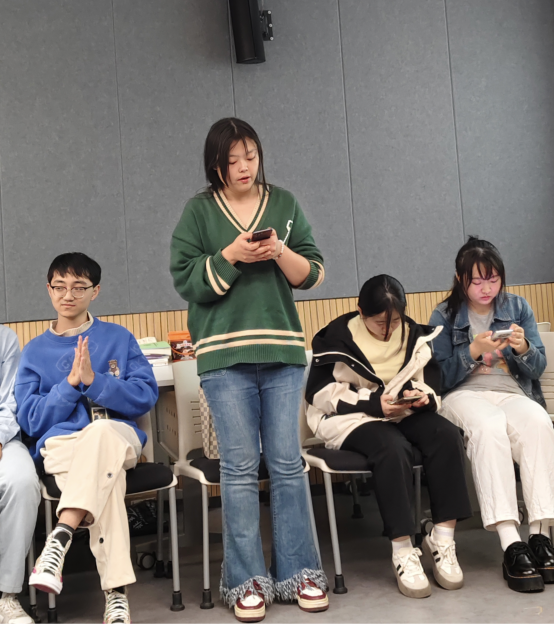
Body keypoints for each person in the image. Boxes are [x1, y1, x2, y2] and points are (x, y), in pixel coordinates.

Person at [170, 118, 328, 623]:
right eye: (232, 159)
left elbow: (313, 273)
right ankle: (245, 581)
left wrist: (279, 250)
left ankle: (301, 572)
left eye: (251, 156)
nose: (243, 167)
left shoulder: (284, 204)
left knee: (287, 463)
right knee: (238, 469)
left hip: (283, 351)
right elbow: (186, 281)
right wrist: (232, 255)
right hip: (223, 357)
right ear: (216, 165)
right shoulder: (198, 211)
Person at [306, 275, 472, 599]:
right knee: (392, 447)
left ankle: (442, 540)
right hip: (352, 417)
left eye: (394, 322)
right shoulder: (335, 338)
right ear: (360, 311)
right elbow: (319, 393)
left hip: (401, 411)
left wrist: (421, 397)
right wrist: (373, 403)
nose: (388, 330)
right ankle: (402, 550)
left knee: (447, 435)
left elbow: (430, 383)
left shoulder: (414, 335)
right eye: (379, 322)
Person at [16, 253, 159, 624]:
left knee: (101, 433)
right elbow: (31, 420)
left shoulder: (118, 338)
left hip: (116, 435)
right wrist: (69, 385)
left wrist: (96, 381)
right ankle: (116, 595)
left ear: (95, 291)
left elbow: (145, 395)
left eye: (79, 287)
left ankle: (61, 534)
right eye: (60, 287)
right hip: (63, 446)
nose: (68, 295)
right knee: (107, 485)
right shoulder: (34, 352)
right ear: (49, 290)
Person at [429, 237, 554, 593]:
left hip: (511, 392)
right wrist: (472, 350)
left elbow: (537, 367)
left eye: (493, 279)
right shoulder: (444, 315)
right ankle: (511, 543)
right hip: (463, 395)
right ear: (460, 279)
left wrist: (523, 347)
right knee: (488, 427)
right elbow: (437, 379)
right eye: (477, 281)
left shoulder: (517, 307)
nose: (486, 289)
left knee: (538, 423)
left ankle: (540, 536)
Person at [0, 325, 41, 625]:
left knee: (23, 482)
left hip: (3, 437)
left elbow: (8, 403)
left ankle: (7, 596)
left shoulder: (5, 338)